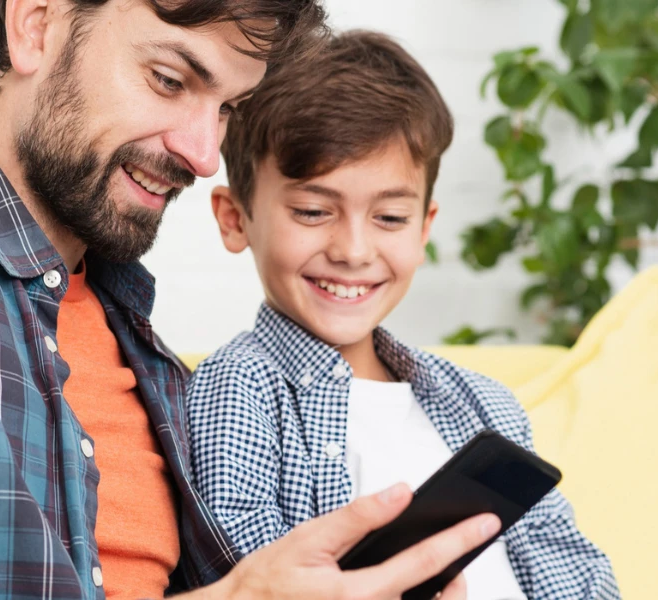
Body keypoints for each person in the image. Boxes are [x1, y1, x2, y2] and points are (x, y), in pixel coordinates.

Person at [0, 1, 503, 597]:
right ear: (36, 22)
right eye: (171, 78)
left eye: (230, 111)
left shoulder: (139, 346)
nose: (204, 152)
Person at [188, 30, 621, 599]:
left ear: (424, 228)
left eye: (390, 218)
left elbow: (576, 574)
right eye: (314, 211)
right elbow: (252, 579)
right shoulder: (238, 389)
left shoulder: (487, 405)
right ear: (235, 219)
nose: (354, 250)